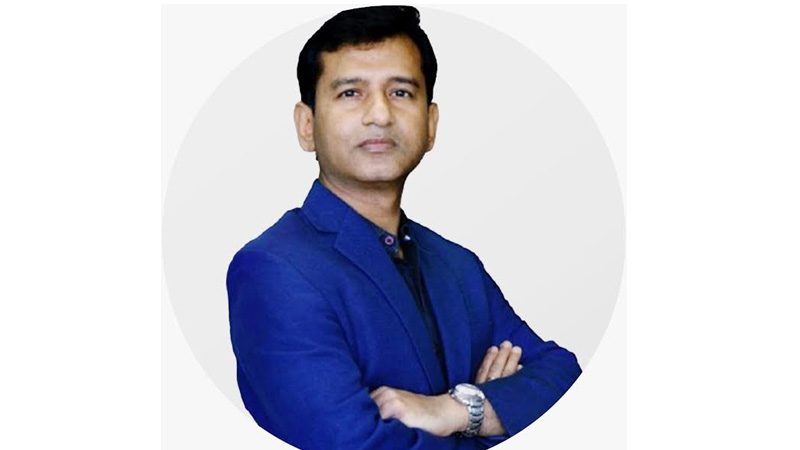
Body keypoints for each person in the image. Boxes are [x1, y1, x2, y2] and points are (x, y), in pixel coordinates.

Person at [227, 6, 581, 450]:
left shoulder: (457, 265)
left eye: (400, 92)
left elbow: (565, 379)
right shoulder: (274, 270)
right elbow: (356, 444)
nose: (380, 114)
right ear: (306, 125)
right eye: (351, 93)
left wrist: (456, 411)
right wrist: (498, 422)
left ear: (430, 125)